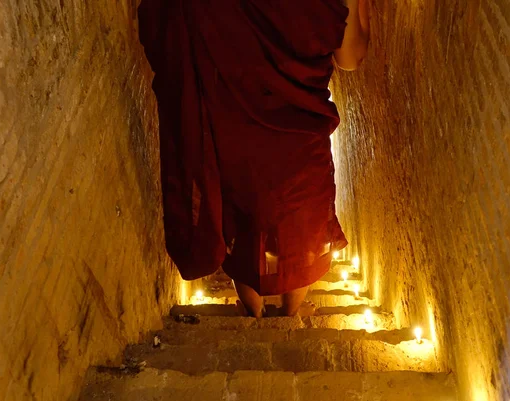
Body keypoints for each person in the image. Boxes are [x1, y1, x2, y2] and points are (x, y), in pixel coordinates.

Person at [138, 0, 370, 318]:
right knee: (301, 231)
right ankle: (291, 313)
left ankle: (253, 313)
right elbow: (350, 59)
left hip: (235, 131)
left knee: (244, 227)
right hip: (300, 137)